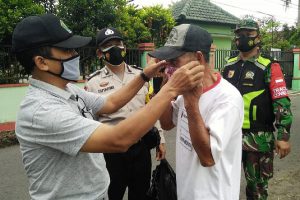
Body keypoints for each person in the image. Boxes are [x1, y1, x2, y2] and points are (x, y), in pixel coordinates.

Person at [12, 14, 204, 200]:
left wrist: (144, 76)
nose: (75, 55)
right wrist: (170, 89)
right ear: (42, 62)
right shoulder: (42, 110)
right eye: (67, 51)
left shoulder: (67, 89)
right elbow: (119, 139)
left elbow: (110, 103)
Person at [148, 23, 244, 200]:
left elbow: (208, 158)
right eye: (167, 62)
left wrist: (192, 105)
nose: (169, 67)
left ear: (199, 59)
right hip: (186, 191)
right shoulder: (185, 89)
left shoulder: (227, 99)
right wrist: (166, 87)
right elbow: (167, 123)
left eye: (174, 61)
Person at [85, 27, 166, 200]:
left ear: (125, 48)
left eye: (118, 43)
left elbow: (150, 107)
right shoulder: (93, 82)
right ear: (100, 53)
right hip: (111, 152)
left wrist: (160, 138)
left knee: (141, 194)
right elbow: (90, 121)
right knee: (112, 194)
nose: (115, 48)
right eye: (108, 45)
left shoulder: (141, 75)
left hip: (141, 147)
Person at [222, 18, 293, 200]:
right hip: (228, 137)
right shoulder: (228, 65)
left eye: (248, 34)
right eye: (239, 34)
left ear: (258, 37)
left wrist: (283, 136)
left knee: (257, 190)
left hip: (258, 139)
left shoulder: (270, 66)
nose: (243, 38)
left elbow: (281, 102)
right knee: (222, 183)